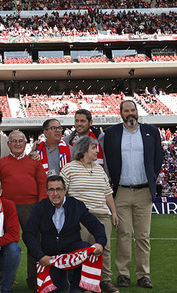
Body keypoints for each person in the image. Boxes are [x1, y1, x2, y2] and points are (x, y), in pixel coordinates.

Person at [102, 100, 164, 290]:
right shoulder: (111, 133)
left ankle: (144, 275)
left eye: (133, 110)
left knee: (143, 235)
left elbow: (158, 159)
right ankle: (123, 274)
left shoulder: (151, 132)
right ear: (120, 113)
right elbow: (108, 160)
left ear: (137, 112)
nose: (131, 114)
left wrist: (151, 178)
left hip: (144, 191)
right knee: (123, 234)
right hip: (121, 191)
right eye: (126, 111)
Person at [22, 176, 106, 293]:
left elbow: (96, 225)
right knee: (53, 291)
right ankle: (62, 281)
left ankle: (78, 286)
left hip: (72, 254)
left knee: (85, 247)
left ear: (65, 190)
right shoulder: (40, 207)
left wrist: (100, 243)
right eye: (51, 190)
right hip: (50, 258)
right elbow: (28, 234)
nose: (55, 193)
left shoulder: (76, 205)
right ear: (46, 192)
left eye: (59, 189)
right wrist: (40, 256)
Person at [61, 137, 120, 293]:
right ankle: (83, 283)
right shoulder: (69, 169)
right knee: (83, 250)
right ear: (84, 150)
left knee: (105, 248)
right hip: (81, 217)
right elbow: (61, 194)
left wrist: (113, 212)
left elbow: (108, 193)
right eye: (94, 148)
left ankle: (105, 280)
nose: (97, 151)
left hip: (102, 215)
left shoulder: (100, 169)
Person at [0, 130, 47, 290]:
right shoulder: (0, 163)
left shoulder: (34, 162)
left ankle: (34, 280)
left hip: (30, 206)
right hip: (6, 207)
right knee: (5, 242)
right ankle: (5, 278)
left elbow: (42, 183)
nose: (17, 144)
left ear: (25, 143)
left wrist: (41, 204)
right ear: (8, 144)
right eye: (13, 141)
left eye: (20, 141)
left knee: (34, 242)